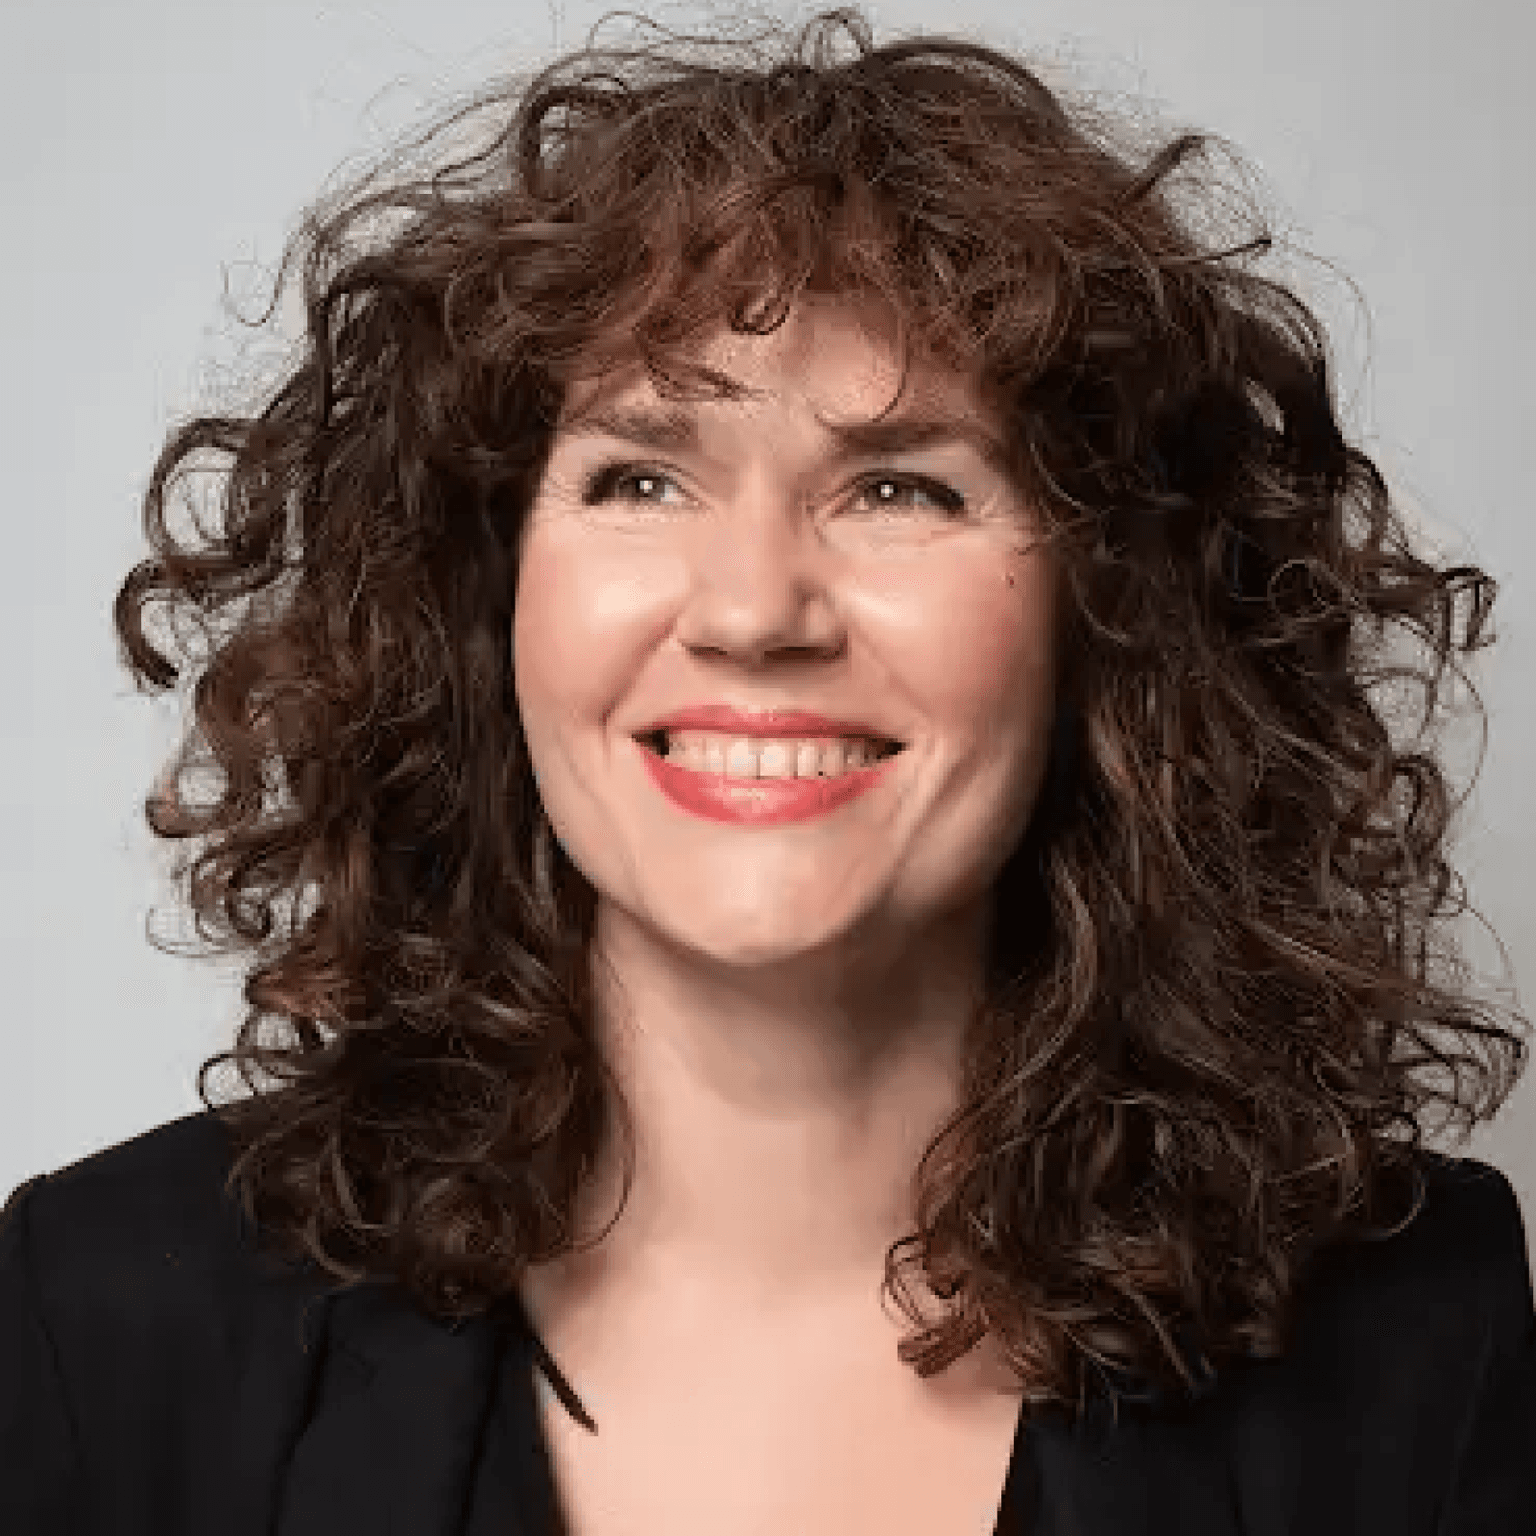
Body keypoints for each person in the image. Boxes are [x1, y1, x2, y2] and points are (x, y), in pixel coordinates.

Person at [2, 6, 1532, 1533]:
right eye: (641, 477)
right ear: (487, 595)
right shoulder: (105, 1328)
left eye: (900, 487)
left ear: (1116, 614)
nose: (751, 611)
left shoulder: (1419, 1346)